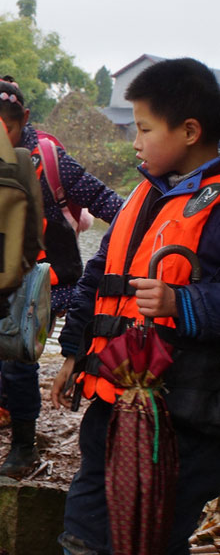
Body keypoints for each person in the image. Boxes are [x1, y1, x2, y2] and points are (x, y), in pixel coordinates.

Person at [50, 57, 220, 554]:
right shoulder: (141, 196)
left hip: (185, 418)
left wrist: (181, 302)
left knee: (156, 537)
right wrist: (73, 352)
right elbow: (97, 277)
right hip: (113, 404)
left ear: (189, 130)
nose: (135, 141)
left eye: (144, 128)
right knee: (83, 530)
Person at [0, 76, 124, 477]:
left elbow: (108, 204)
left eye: (5, 128)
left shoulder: (48, 159)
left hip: (40, 282)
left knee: (20, 363)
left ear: (23, 119)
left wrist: (121, 248)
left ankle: (23, 448)